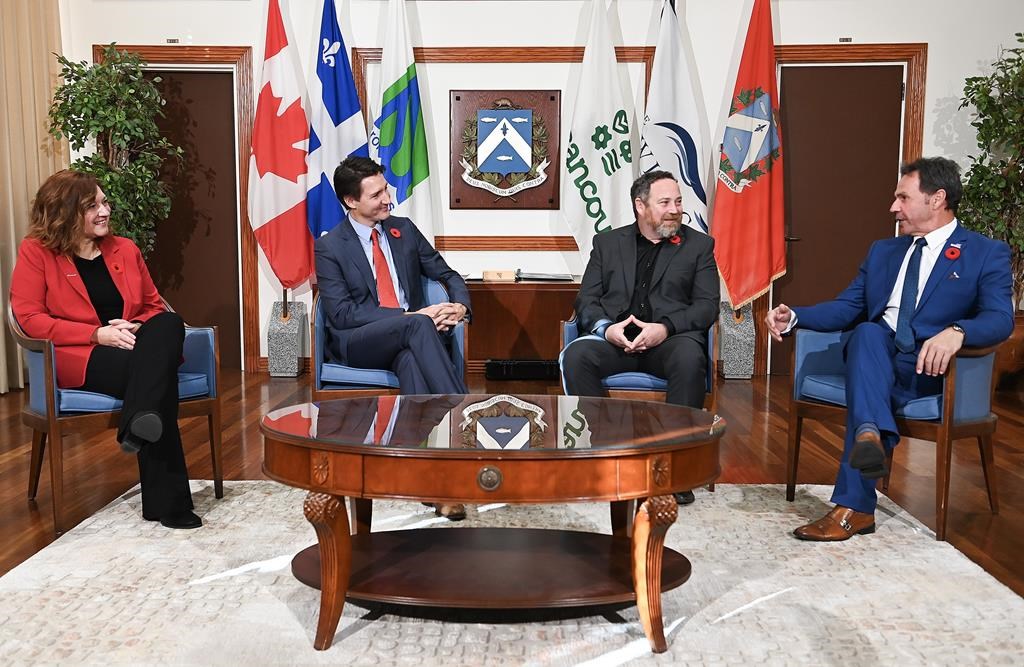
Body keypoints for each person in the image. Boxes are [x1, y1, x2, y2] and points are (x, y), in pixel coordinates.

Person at [765, 157, 1014, 541]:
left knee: (866, 369)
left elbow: (1000, 318)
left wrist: (958, 331)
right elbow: (848, 306)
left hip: (931, 369)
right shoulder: (884, 251)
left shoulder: (984, 253)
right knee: (867, 332)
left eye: (903, 197)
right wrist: (795, 316)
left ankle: (865, 455)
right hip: (875, 357)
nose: (893, 207)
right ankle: (863, 465)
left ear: (937, 199)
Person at [10, 170, 202, 529]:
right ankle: (170, 505)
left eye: (104, 202)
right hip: (83, 355)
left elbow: (153, 306)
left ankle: (136, 424)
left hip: (134, 344)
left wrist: (134, 326)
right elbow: (30, 319)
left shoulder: (124, 249)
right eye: (93, 206)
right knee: (157, 382)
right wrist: (96, 335)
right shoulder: (37, 252)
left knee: (169, 323)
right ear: (65, 212)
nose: (105, 211)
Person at [314, 156, 471, 519]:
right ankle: (465, 420)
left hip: (409, 342)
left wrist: (460, 307)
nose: (387, 198)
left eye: (385, 189)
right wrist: (411, 317)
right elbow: (342, 314)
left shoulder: (404, 230)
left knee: (412, 362)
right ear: (351, 201)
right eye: (377, 194)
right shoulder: (331, 246)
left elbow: (448, 274)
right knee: (417, 326)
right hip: (359, 343)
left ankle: (436, 487)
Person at [561, 170, 720, 505]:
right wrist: (607, 329)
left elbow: (707, 306)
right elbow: (586, 300)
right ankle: (609, 455)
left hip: (669, 340)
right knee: (576, 356)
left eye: (678, 201)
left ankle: (673, 470)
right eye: (665, 202)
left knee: (689, 359)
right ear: (640, 206)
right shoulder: (607, 244)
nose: (675, 209)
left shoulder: (699, 246)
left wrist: (665, 328)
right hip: (616, 341)